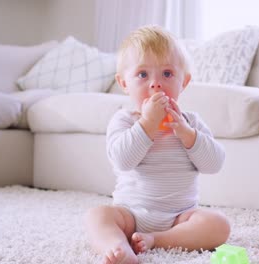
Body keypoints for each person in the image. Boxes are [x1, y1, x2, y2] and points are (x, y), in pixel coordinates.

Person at [85, 25, 230, 264]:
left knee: (219, 225)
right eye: (143, 75)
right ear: (123, 83)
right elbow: (122, 160)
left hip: (180, 217)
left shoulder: (191, 122)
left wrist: (188, 135)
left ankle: (157, 239)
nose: (156, 84)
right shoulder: (123, 120)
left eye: (167, 74)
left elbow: (215, 164)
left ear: (184, 82)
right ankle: (119, 248)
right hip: (130, 215)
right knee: (97, 216)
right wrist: (147, 125)